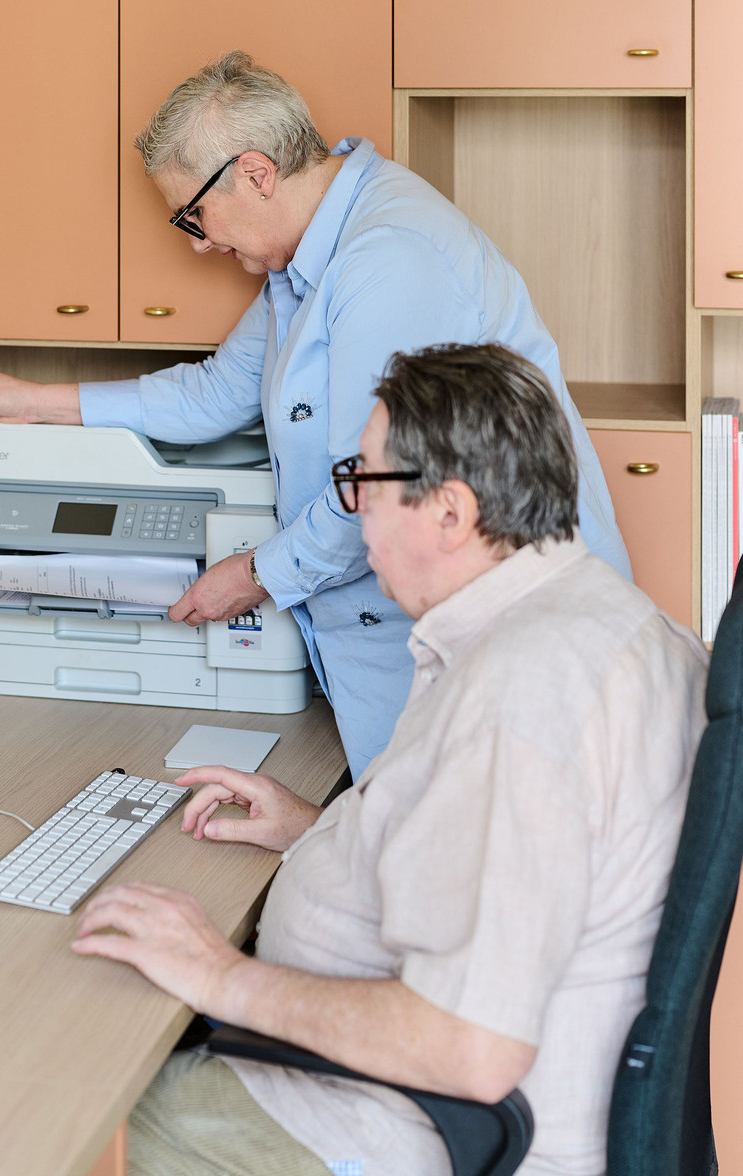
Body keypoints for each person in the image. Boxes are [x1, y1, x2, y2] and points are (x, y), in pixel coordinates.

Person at [71, 343, 708, 1176]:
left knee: (53, 1118)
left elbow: (470, 1048)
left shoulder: (522, 698)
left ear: (449, 512)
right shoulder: (607, 622)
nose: (353, 514)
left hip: (378, 1129)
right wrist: (316, 830)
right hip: (406, 1107)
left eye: (362, 484)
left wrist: (216, 972)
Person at [0, 52, 630, 775]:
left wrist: (252, 576)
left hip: (495, 638)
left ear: (256, 172)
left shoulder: (387, 261)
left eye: (194, 214)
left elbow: (373, 487)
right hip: (398, 635)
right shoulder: (305, 261)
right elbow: (215, 391)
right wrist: (34, 402)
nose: (201, 242)